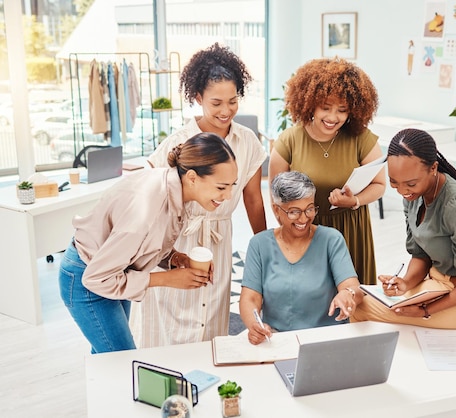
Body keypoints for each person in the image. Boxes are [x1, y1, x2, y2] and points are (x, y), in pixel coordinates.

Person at [131, 43, 268, 347]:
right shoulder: (179, 142)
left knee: (211, 318)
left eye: (233, 101)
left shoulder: (247, 141)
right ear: (198, 98)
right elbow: (150, 196)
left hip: (219, 236)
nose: (225, 111)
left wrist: (264, 249)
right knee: (168, 315)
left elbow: (253, 199)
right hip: (177, 238)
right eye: (216, 102)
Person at [59, 133, 238, 353]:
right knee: (123, 362)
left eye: (232, 186)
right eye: (221, 187)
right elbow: (96, 278)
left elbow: (147, 243)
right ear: (192, 177)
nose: (228, 195)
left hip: (116, 271)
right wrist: (167, 279)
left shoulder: (175, 189)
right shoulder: (146, 210)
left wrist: (176, 258)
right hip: (90, 277)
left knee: (107, 360)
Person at [351, 129, 456, 329]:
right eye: (394, 182)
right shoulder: (415, 196)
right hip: (439, 284)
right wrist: (405, 283)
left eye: (410, 183)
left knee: (359, 308)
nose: (403, 191)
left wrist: (425, 311)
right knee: (356, 300)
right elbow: (422, 255)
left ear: (433, 168)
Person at [269, 57, 385, 285]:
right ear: (310, 103)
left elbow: (380, 185)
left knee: (351, 300)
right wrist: (293, 232)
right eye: (325, 107)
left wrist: (355, 201)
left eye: (342, 110)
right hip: (305, 229)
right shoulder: (289, 140)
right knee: (309, 296)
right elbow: (276, 198)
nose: (333, 118)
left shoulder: (361, 139)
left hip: (351, 230)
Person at [239, 171, 363, 345]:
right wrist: (254, 325)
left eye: (310, 209)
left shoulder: (331, 239)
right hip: (277, 340)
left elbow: (354, 289)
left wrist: (347, 294)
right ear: (276, 209)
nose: (304, 218)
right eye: (294, 212)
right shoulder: (259, 244)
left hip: (327, 340)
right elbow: (250, 298)